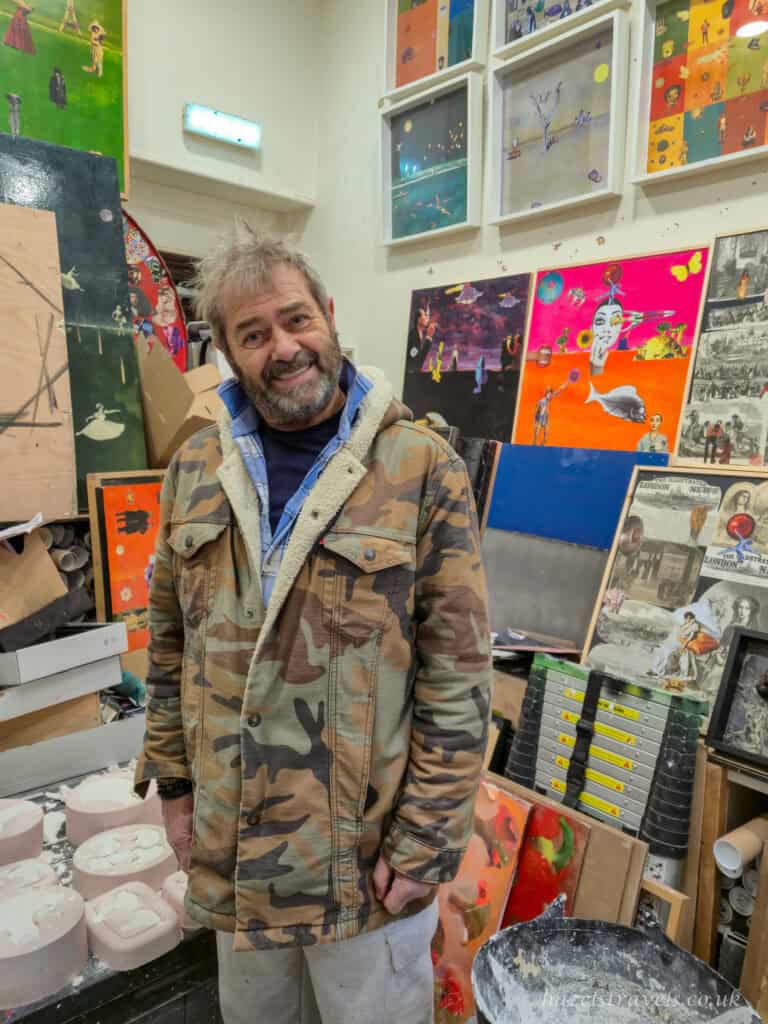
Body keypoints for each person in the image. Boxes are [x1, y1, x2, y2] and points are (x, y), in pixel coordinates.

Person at [134, 225, 492, 1024]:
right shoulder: (194, 471)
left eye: (296, 319)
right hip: (236, 856)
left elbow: (459, 672)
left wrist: (428, 839)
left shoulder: (421, 468)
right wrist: (175, 788)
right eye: (254, 334)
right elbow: (169, 645)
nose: (284, 347)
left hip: (363, 872)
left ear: (328, 314)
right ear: (228, 354)